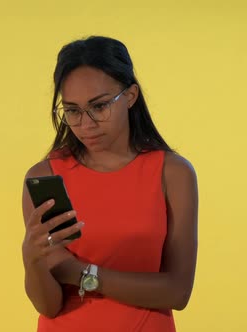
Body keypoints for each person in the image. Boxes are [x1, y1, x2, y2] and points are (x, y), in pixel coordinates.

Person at [21, 35, 199, 331]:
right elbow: (49, 306)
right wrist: (32, 261)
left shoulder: (172, 173)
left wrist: (82, 273)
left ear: (130, 96)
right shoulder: (46, 176)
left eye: (99, 106)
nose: (86, 124)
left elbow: (177, 291)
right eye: (73, 111)